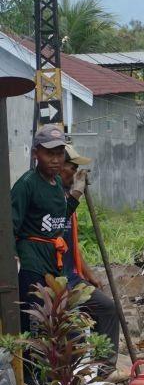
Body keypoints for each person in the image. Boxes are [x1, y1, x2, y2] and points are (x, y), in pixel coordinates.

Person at [12, 125, 82, 335]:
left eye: (59, 154)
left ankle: (55, 367)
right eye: (49, 153)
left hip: (54, 263)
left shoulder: (57, 183)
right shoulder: (27, 185)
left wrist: (75, 195)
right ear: (36, 154)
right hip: (31, 262)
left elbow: (57, 219)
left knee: (57, 323)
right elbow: (8, 225)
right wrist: (13, 257)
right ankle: (31, 368)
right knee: (34, 322)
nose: (55, 159)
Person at [59, 145, 120, 368]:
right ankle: (69, 378)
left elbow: (71, 244)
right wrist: (76, 193)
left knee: (107, 309)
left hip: (72, 278)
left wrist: (89, 272)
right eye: (71, 167)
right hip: (54, 282)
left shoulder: (67, 198)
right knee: (72, 331)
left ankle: (104, 366)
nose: (75, 173)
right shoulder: (52, 198)